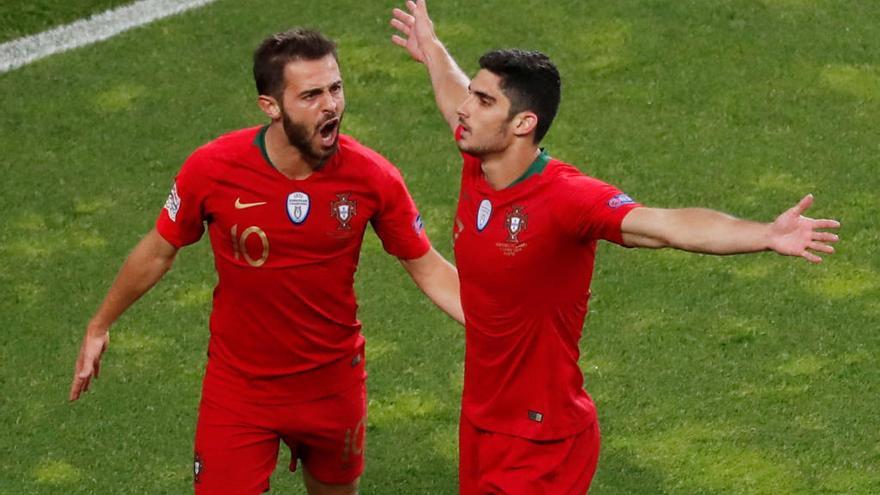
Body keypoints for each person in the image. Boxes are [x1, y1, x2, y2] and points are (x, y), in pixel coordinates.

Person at [390, 1, 841, 493]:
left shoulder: (567, 197)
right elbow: (451, 92)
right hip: (482, 421)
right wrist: (431, 49)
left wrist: (765, 234)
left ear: (522, 124)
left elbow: (665, 225)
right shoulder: (480, 158)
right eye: (472, 96)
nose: (464, 109)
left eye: (483, 101)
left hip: (544, 440)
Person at [69, 28, 464, 495]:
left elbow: (428, 266)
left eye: (335, 88)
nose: (331, 105)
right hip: (240, 391)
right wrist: (100, 324)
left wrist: (502, 323)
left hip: (332, 386)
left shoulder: (372, 178)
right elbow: (159, 250)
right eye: (311, 95)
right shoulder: (213, 169)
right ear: (270, 106)